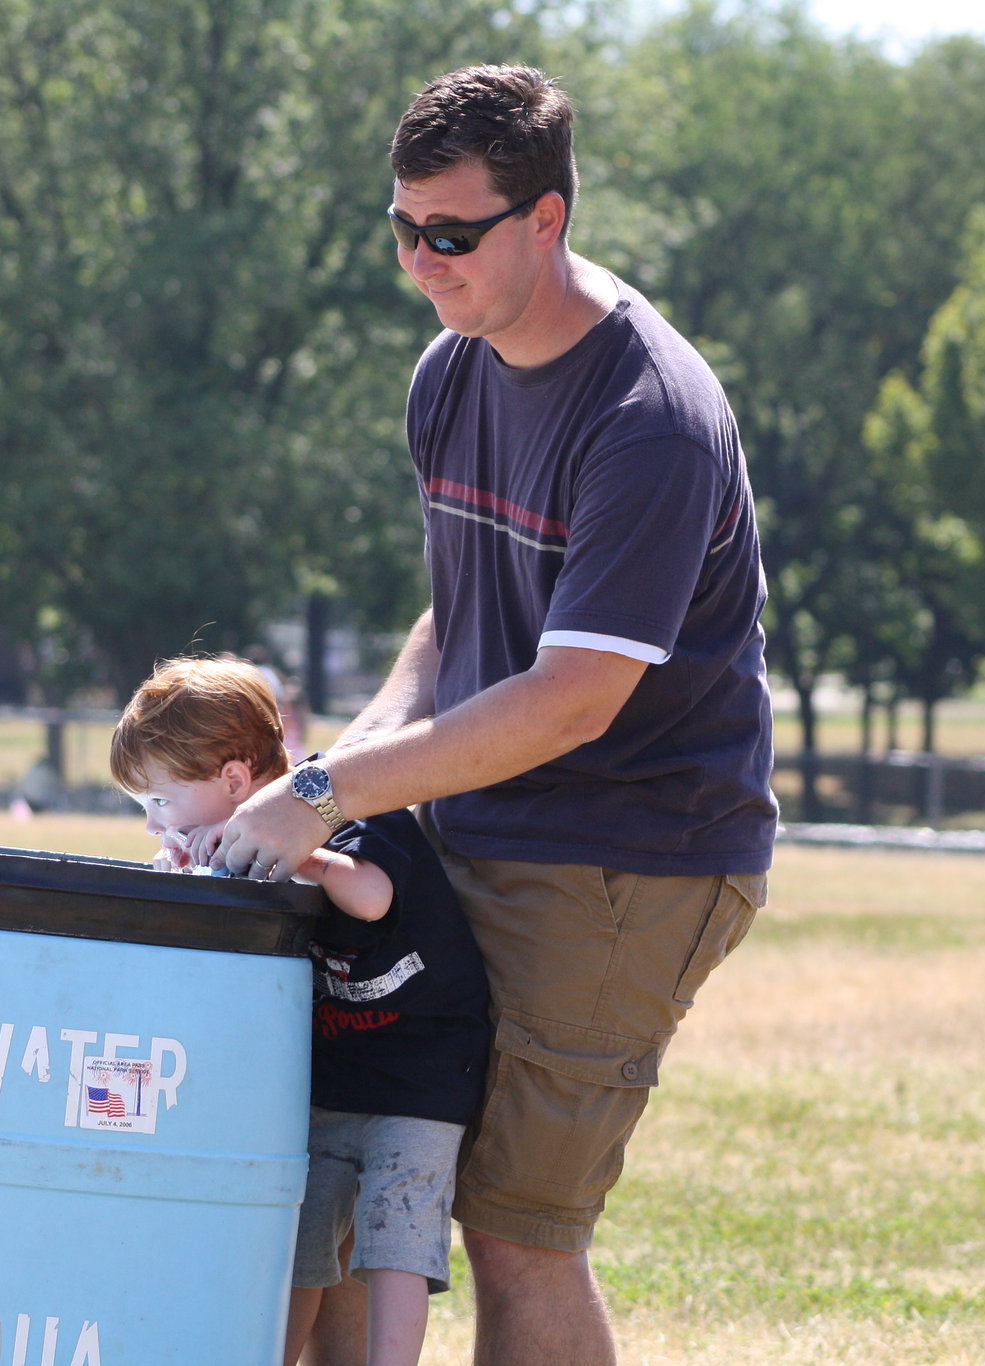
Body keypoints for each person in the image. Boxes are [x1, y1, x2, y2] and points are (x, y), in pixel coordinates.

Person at [217, 66, 775, 1366]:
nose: (422, 263)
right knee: (366, 1164)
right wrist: (340, 767)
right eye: (403, 228)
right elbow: (458, 617)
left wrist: (322, 796)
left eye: (453, 234)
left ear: (547, 219)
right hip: (486, 818)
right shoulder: (451, 370)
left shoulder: (651, 421)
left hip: (628, 849)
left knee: (520, 1222)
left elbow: (574, 696)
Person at [109, 658, 490, 1366]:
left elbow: (373, 897)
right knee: (299, 1237)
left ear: (232, 781)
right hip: (335, 1076)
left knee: (396, 1242)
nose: (155, 820)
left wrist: (308, 855)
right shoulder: (234, 849)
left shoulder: (345, 797)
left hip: (426, 1070)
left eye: (163, 801)